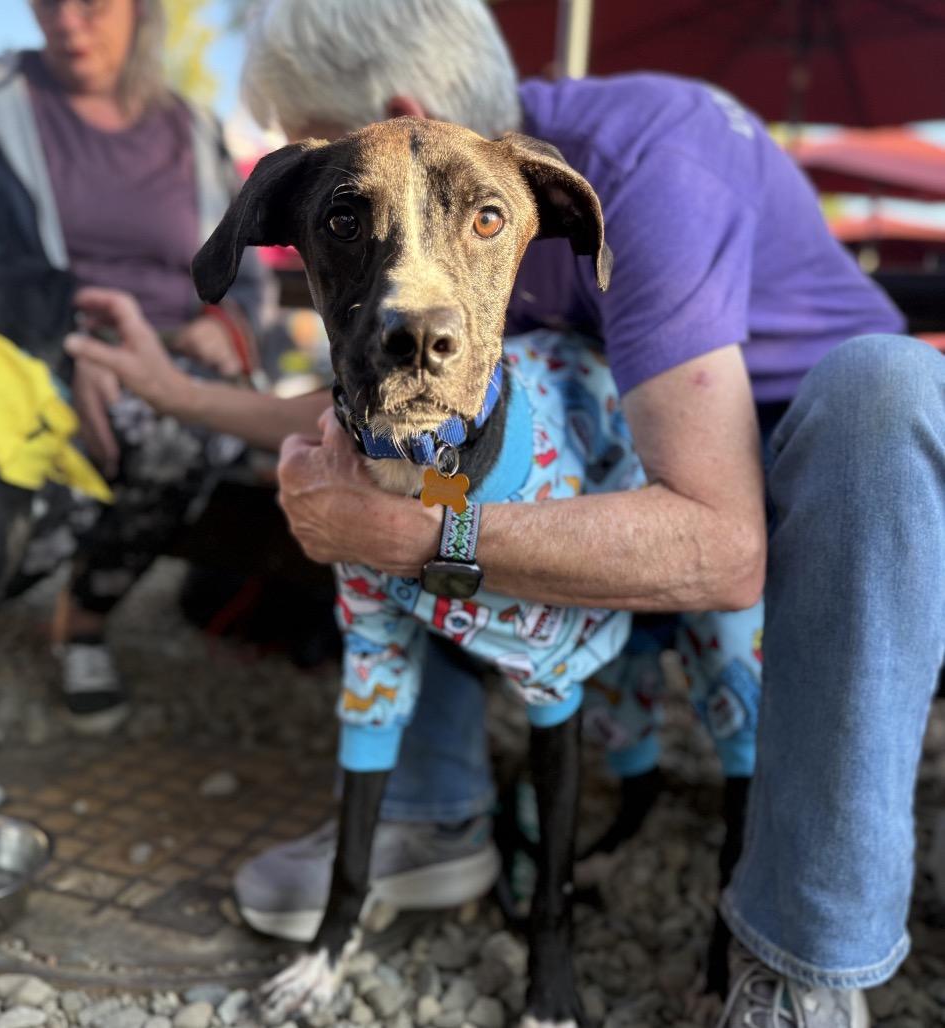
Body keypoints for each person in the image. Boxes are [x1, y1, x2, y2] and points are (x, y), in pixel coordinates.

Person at [65, 1, 945, 1024]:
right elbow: (388, 399)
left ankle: (805, 958)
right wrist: (168, 392)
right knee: (429, 456)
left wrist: (413, 539)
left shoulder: (651, 162)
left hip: (815, 486)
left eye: (324, 149)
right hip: (623, 451)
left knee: (881, 394)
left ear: (403, 121)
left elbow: (721, 547)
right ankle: (436, 808)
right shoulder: (453, 226)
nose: (318, 183)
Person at [0, 0, 299, 732]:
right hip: (27, 348)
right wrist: (66, 340)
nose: (66, 22)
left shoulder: (190, 126)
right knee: (97, 430)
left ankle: (80, 618)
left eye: (91, 3)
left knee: (181, 430)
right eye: (47, 3)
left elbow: (240, 267)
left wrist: (228, 322)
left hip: (170, 361)